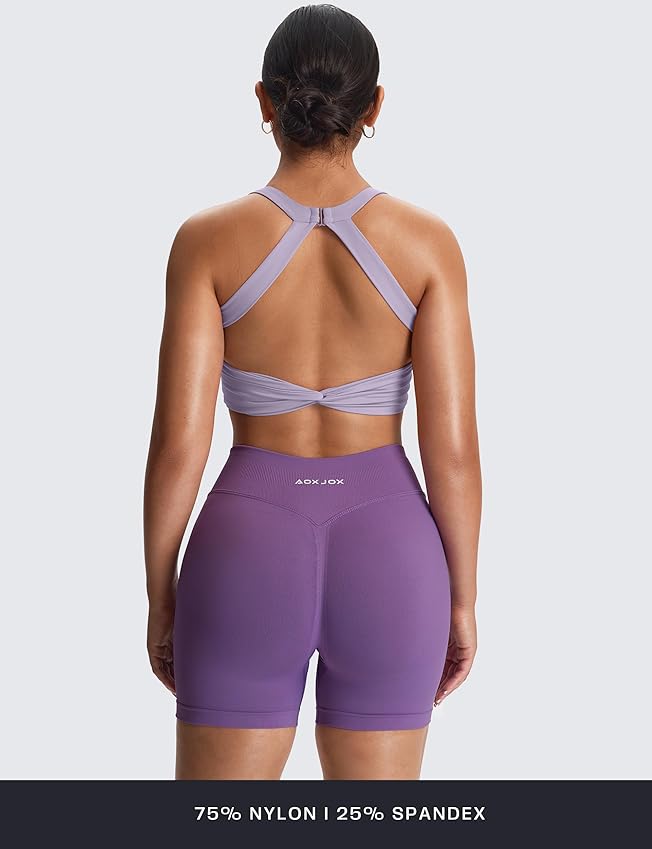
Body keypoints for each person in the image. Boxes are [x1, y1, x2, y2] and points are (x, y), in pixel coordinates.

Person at [143, 3, 481, 781]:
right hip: (391, 551)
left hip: (245, 545)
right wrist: (460, 599)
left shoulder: (206, 240)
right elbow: (453, 453)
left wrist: (162, 596)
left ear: (264, 100)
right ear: (374, 106)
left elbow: (178, 448)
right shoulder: (428, 244)